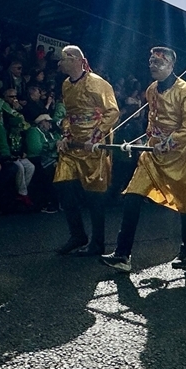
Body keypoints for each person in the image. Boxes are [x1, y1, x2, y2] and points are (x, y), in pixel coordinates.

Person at [101, 47, 186, 273]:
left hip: (180, 156)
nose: (152, 65)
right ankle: (122, 254)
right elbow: (152, 121)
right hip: (153, 155)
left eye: (159, 62)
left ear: (171, 66)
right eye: (150, 61)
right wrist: (146, 139)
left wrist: (172, 140)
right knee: (132, 196)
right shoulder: (151, 90)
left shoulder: (184, 91)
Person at [53, 45, 119, 255]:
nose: (59, 63)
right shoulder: (66, 85)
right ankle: (78, 235)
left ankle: (97, 242)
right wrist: (65, 135)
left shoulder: (97, 83)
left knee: (95, 196)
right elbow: (69, 116)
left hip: (93, 145)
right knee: (63, 186)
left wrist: (97, 135)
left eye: (63, 59)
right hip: (73, 145)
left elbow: (112, 112)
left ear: (74, 60)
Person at [25, 113, 60, 213]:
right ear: (42, 122)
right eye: (48, 122)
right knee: (48, 172)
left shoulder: (48, 133)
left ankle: (56, 202)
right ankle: (49, 203)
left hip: (48, 158)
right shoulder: (33, 131)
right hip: (36, 159)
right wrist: (53, 144)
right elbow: (36, 148)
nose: (50, 124)